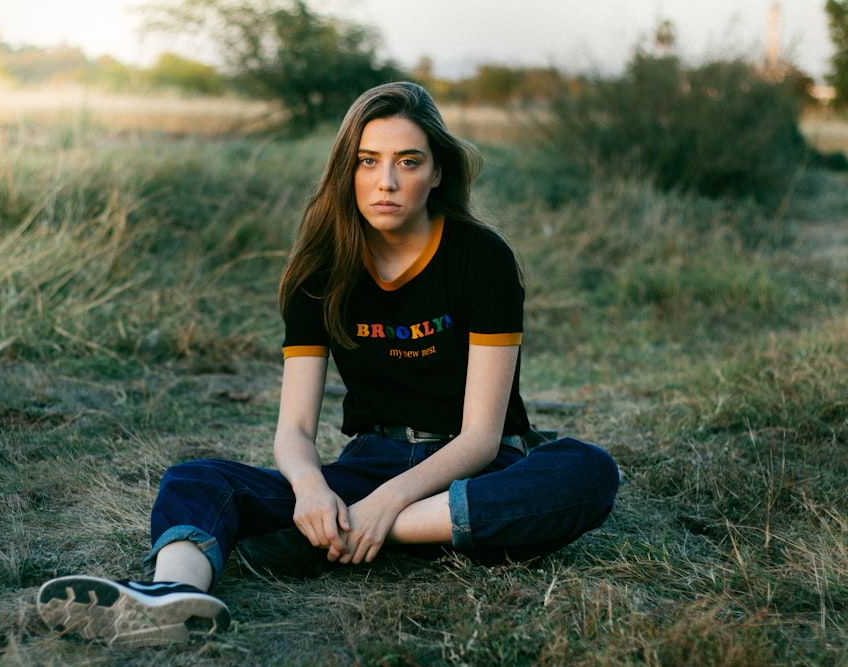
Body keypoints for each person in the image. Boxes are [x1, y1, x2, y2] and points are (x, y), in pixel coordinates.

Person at [36, 81, 620, 648]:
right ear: (348, 169)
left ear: (437, 172)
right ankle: (170, 596)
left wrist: (379, 512)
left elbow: (481, 436)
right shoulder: (321, 271)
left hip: (473, 474)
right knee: (198, 479)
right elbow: (293, 430)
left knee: (588, 471)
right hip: (370, 464)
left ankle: (354, 540)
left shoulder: (480, 258)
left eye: (408, 162)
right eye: (367, 161)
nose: (385, 181)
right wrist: (316, 493)